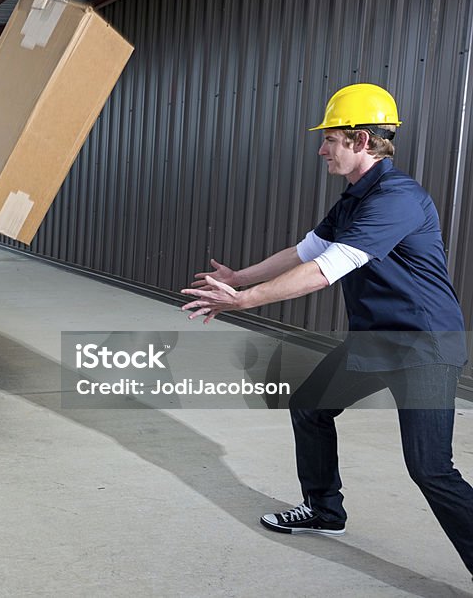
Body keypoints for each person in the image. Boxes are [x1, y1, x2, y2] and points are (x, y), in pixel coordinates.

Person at [181, 84, 473, 577]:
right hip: (376, 339)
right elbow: (305, 251)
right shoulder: (355, 198)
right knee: (310, 406)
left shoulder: (397, 198)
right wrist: (239, 278)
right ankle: (323, 510)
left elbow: (326, 269)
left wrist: (243, 301)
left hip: (423, 345)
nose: (322, 149)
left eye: (330, 139)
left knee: (430, 468)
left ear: (361, 140)